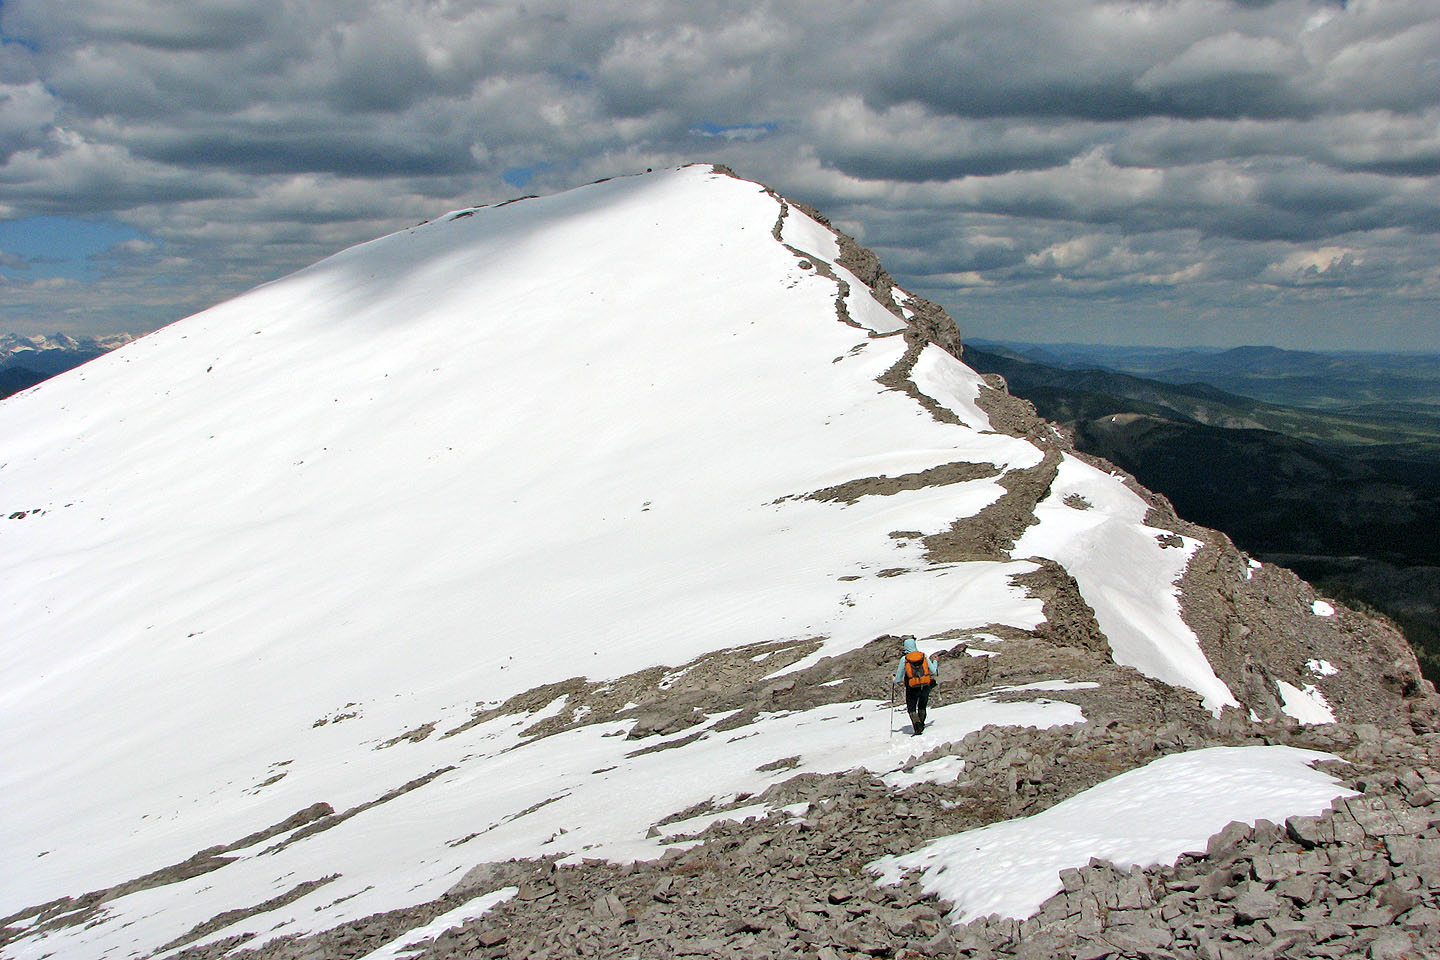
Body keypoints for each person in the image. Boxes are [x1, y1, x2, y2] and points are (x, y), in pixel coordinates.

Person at [893, 636, 937, 734]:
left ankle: (917, 726)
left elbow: (898, 678)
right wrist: (935, 661)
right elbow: (933, 671)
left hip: (911, 687)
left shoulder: (905, 659)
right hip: (925, 684)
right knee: (922, 706)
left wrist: (894, 679)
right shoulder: (923, 656)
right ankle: (921, 723)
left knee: (912, 708)